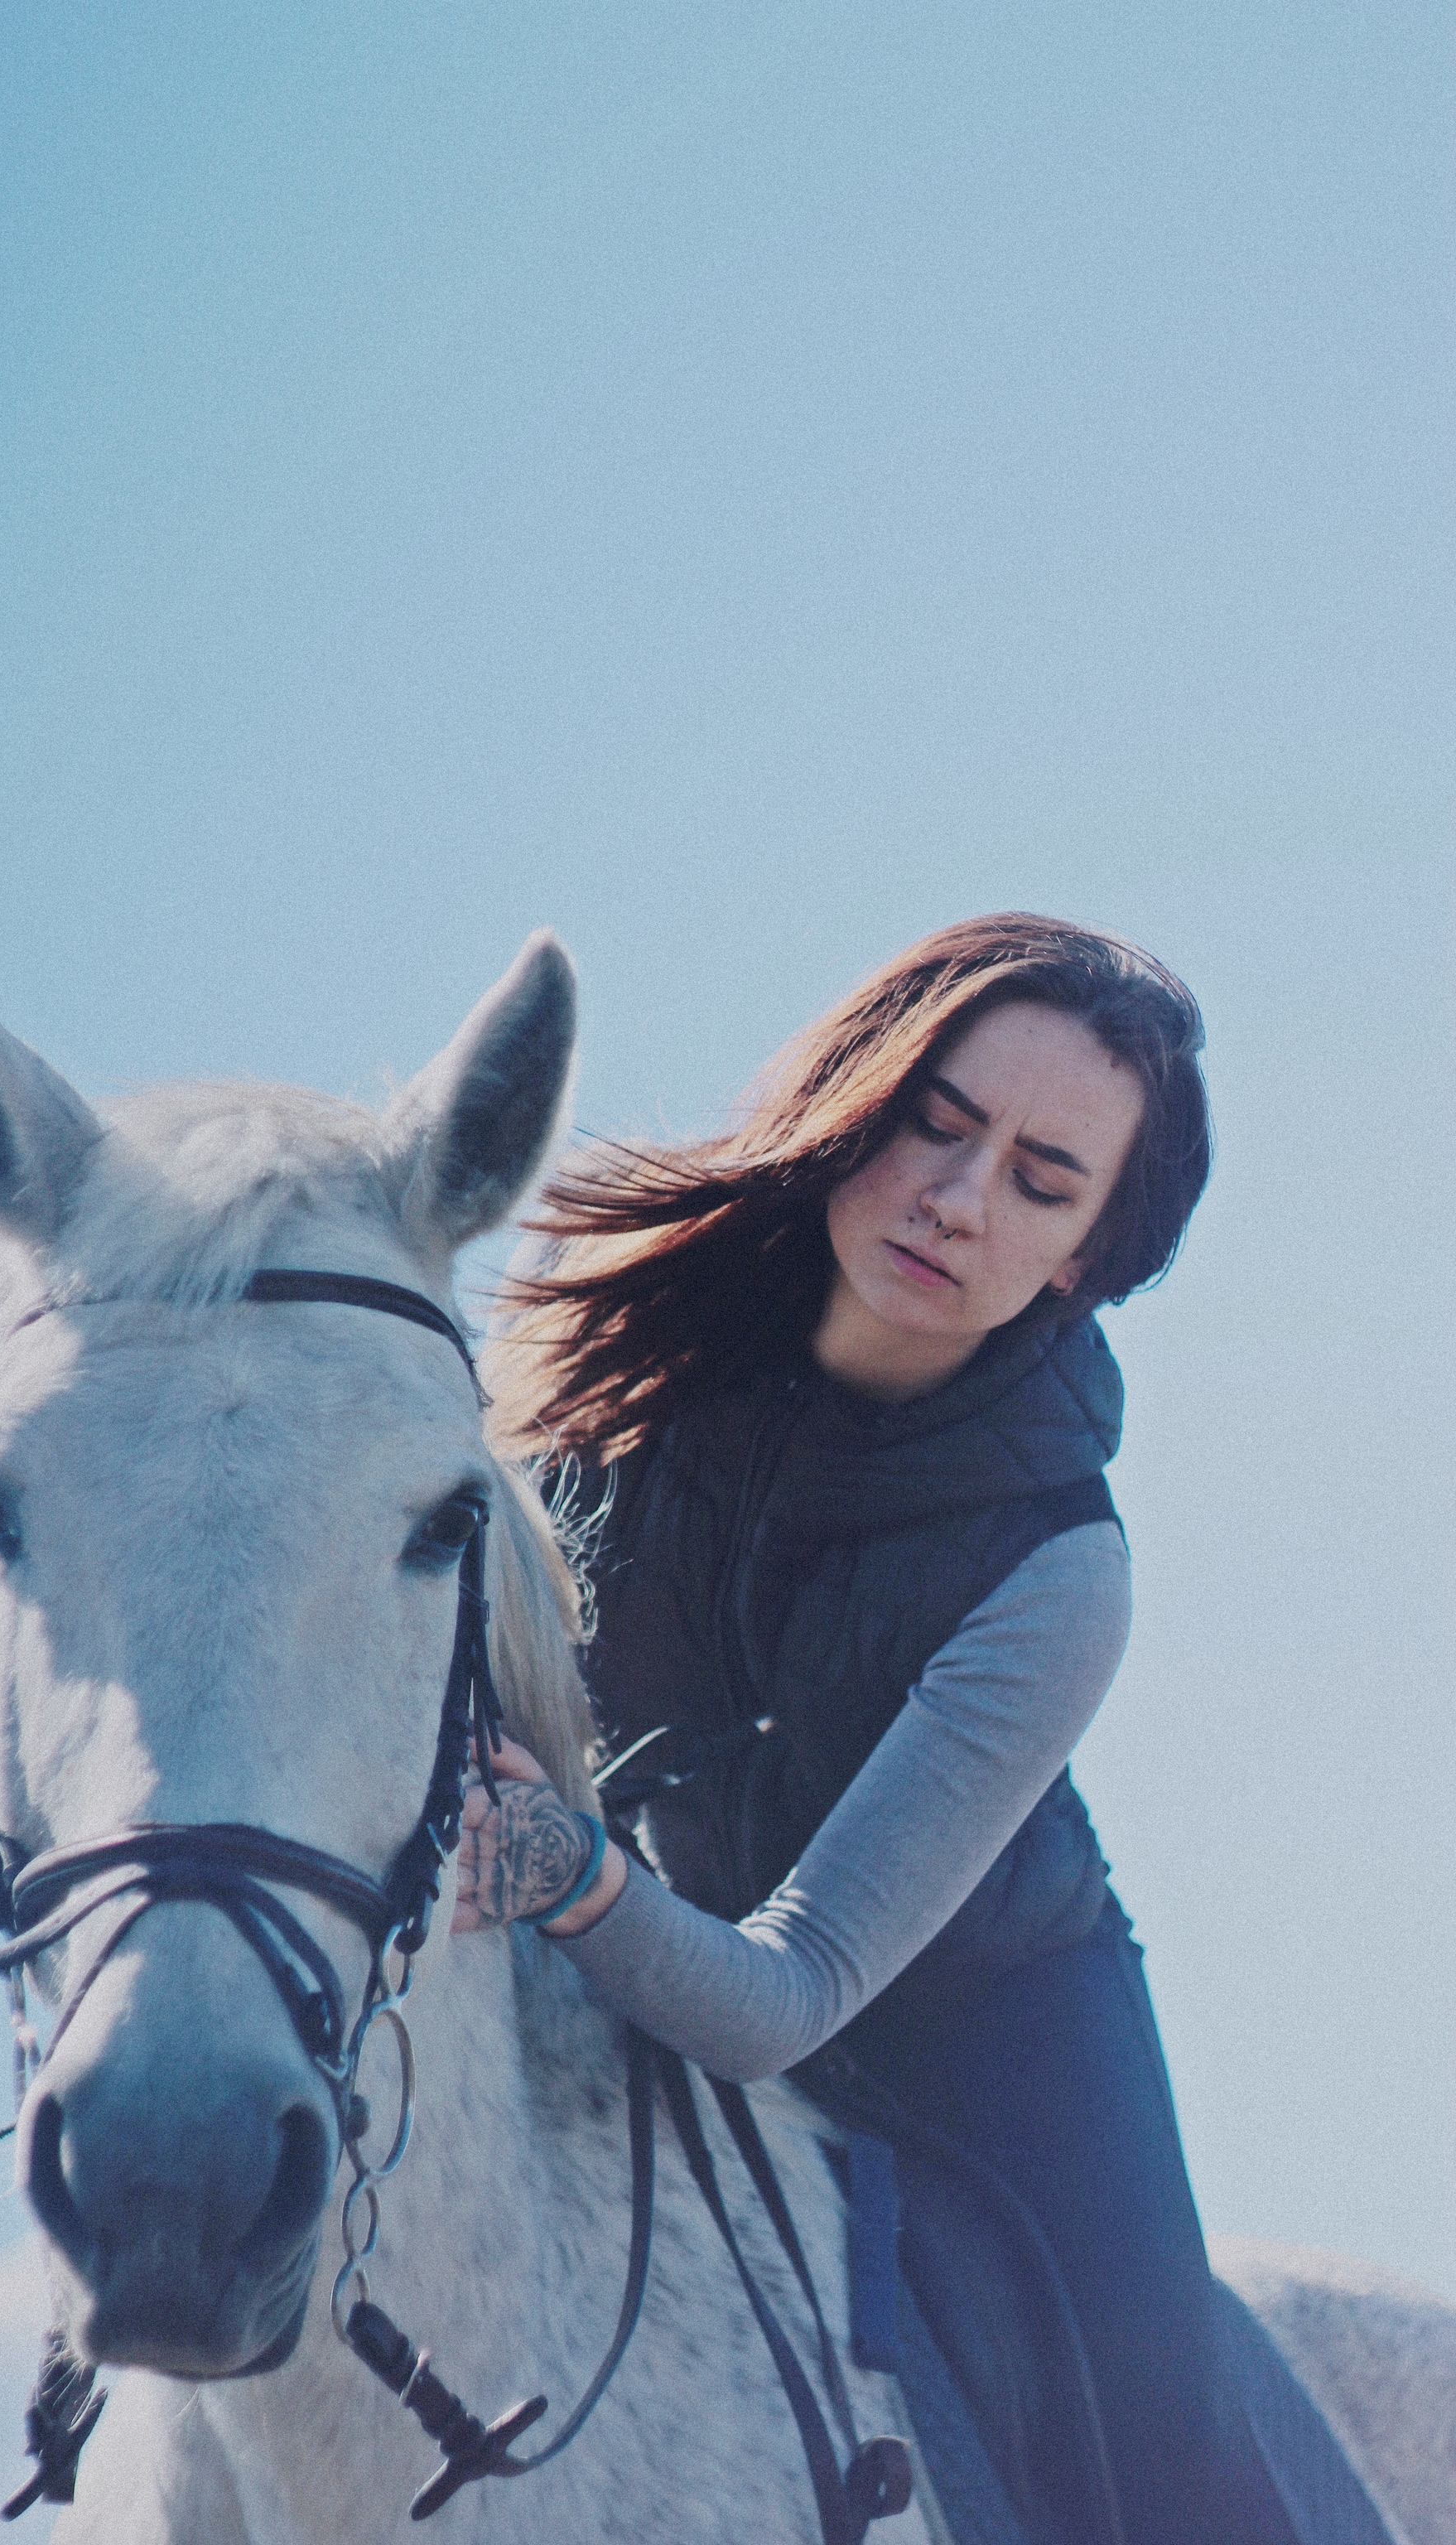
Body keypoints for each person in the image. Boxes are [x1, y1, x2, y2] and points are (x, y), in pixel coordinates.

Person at [451, 913, 1290, 2545]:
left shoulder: (1063, 1570)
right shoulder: (596, 1343)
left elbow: (780, 2003)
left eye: (1041, 1184)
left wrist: (568, 1872)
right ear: (858, 1099)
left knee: (1172, 2466)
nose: (958, 1199)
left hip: (982, 2021)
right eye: (938, 1123)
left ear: (1083, 1263)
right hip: (631, 1931)